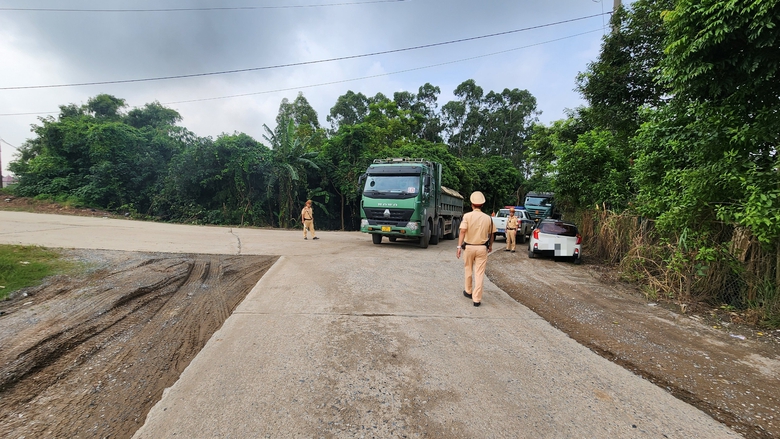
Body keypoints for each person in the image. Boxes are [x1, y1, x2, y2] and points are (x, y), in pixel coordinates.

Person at [456, 191, 494, 307]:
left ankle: (468, 291)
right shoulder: (488, 218)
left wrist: (459, 246)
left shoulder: (467, 216)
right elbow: (491, 234)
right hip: (482, 248)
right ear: (482, 205)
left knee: (468, 269)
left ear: (472, 204)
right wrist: (490, 245)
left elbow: (462, 231)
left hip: (469, 247)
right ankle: (476, 299)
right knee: (479, 273)